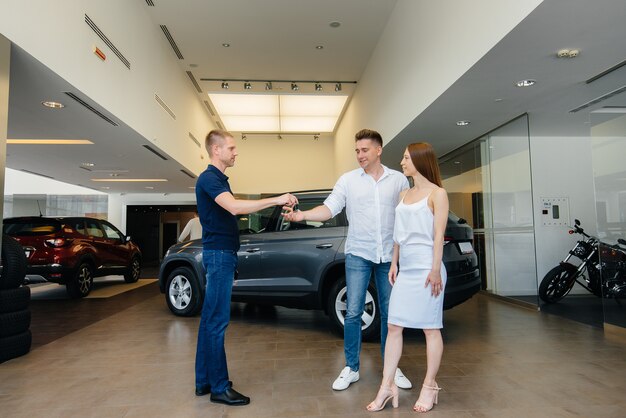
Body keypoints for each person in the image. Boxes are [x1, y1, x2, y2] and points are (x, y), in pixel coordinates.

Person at [282, 129, 412, 391]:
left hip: (389, 256)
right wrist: (301, 215)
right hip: (358, 254)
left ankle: (391, 366)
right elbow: (329, 209)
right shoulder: (348, 181)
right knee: (353, 312)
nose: (359, 155)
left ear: (378, 150)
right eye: (357, 151)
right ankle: (351, 367)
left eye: (364, 150)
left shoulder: (398, 180)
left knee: (391, 315)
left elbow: (406, 218)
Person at [194, 129, 297, 406]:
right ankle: (219, 387)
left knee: (208, 321)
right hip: (219, 255)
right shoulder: (209, 178)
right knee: (217, 322)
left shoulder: (217, 179)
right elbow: (235, 208)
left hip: (222, 254)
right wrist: (276, 199)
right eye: (231, 147)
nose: (235, 152)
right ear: (216, 150)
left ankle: (203, 381)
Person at [366, 142, 448, 413]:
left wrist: (435, 269)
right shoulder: (404, 193)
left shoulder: (438, 194)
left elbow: (438, 236)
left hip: (428, 269)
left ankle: (429, 385)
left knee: (430, 328)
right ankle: (387, 386)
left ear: (419, 160)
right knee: (393, 326)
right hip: (407, 269)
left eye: (405, 158)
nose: (401, 162)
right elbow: (399, 232)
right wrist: (394, 261)